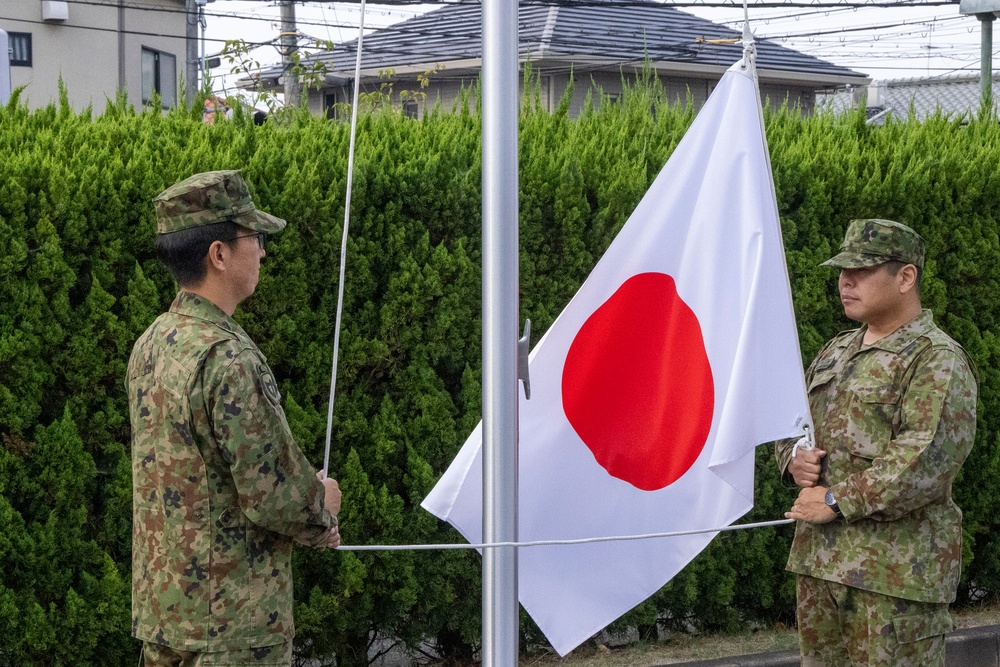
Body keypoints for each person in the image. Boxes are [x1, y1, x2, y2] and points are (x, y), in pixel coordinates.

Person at [127, 170, 342, 666]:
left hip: (166, 618)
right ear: (218, 254)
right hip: (231, 630)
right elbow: (274, 495)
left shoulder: (153, 343)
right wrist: (322, 509)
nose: (263, 251)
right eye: (255, 238)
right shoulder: (228, 359)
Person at [776, 219, 978, 667]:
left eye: (862, 270)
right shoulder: (835, 351)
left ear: (906, 277)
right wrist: (794, 458)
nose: (846, 280)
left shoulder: (934, 358)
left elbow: (926, 458)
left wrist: (833, 496)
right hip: (821, 564)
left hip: (895, 575)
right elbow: (796, 423)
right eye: (843, 270)